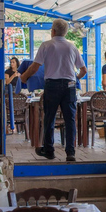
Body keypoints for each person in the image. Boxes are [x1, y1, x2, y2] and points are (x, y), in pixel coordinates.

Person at [20, 19, 86, 162]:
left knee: (49, 118)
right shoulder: (72, 47)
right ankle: (70, 153)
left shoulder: (46, 45)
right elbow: (83, 70)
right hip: (70, 86)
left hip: (52, 85)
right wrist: (75, 79)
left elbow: (34, 67)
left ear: (53, 31)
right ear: (66, 32)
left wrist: (23, 77)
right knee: (70, 120)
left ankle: (49, 150)